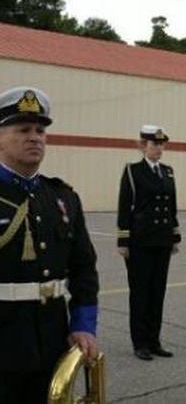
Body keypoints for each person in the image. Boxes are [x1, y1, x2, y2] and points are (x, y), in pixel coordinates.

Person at [0, 86, 100, 403]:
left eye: (41, 130)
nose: (35, 137)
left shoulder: (62, 197)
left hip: (52, 341)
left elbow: (84, 268)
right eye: (23, 129)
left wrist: (84, 326)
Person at [117, 125, 181, 361]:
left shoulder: (168, 171)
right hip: (140, 241)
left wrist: (174, 236)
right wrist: (123, 239)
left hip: (162, 240)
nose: (159, 148)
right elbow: (125, 206)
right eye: (155, 144)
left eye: (162, 144)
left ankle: (154, 341)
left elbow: (171, 206)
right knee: (140, 293)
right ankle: (140, 343)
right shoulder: (133, 171)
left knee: (157, 292)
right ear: (143, 146)